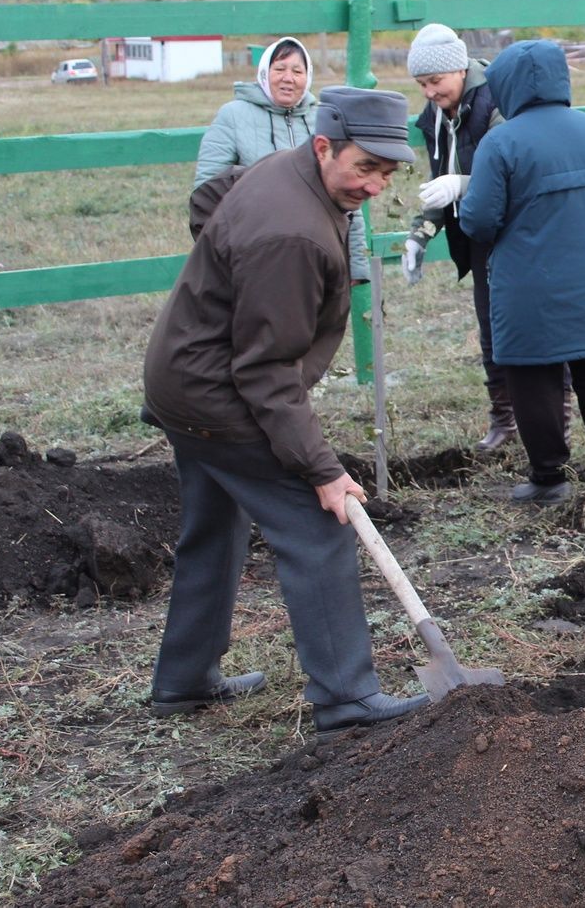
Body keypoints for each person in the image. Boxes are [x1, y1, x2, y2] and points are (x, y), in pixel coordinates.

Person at [144, 86, 428, 734]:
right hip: (217, 394)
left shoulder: (289, 168)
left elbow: (208, 199)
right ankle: (347, 697)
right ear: (324, 145)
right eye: (364, 168)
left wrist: (223, 266)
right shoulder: (292, 235)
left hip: (182, 376)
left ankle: (183, 680)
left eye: (387, 173)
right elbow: (267, 375)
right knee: (318, 524)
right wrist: (324, 472)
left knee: (214, 525)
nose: (376, 187)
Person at [457, 40, 585, 504]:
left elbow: (477, 220)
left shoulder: (500, 141)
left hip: (529, 283)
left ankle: (549, 479)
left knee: (531, 372)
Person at [400, 23, 523, 453]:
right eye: (421, 84)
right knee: (490, 328)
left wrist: (464, 184)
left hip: (513, 231)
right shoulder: (436, 116)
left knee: (524, 327)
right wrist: (421, 233)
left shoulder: (495, 103)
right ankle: (504, 419)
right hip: (477, 234)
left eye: (434, 81)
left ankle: (546, 417)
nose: (429, 92)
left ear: (458, 69)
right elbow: (440, 181)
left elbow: (514, 171)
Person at [194, 36, 370, 282]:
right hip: (255, 255)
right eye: (280, 69)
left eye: (298, 71)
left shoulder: (323, 120)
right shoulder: (233, 116)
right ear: (265, 72)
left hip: (318, 254)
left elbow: (347, 189)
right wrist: (232, 256)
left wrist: (356, 264)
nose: (288, 78)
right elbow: (207, 193)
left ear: (307, 78)